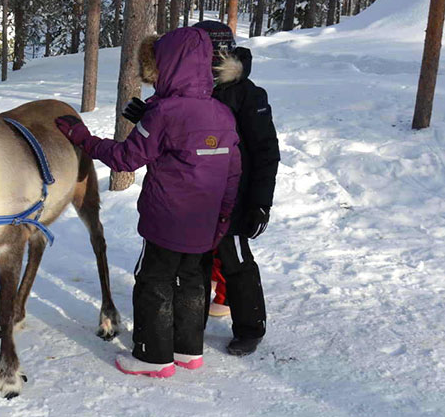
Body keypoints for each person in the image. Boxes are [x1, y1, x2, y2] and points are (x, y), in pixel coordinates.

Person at [54, 26, 240, 377]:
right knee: (193, 282)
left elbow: (126, 158)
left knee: (154, 282)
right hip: (205, 222)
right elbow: (233, 170)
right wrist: (224, 215)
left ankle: (153, 357)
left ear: (169, 65)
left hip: (167, 221)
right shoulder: (221, 114)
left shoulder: (164, 115)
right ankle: (187, 350)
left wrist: (84, 139)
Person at [193, 19, 280, 357]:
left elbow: (265, 152)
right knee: (194, 262)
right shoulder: (189, 87)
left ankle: (250, 327)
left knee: (236, 259)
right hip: (195, 196)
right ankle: (189, 325)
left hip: (236, 198)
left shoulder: (247, 94)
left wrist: (261, 203)